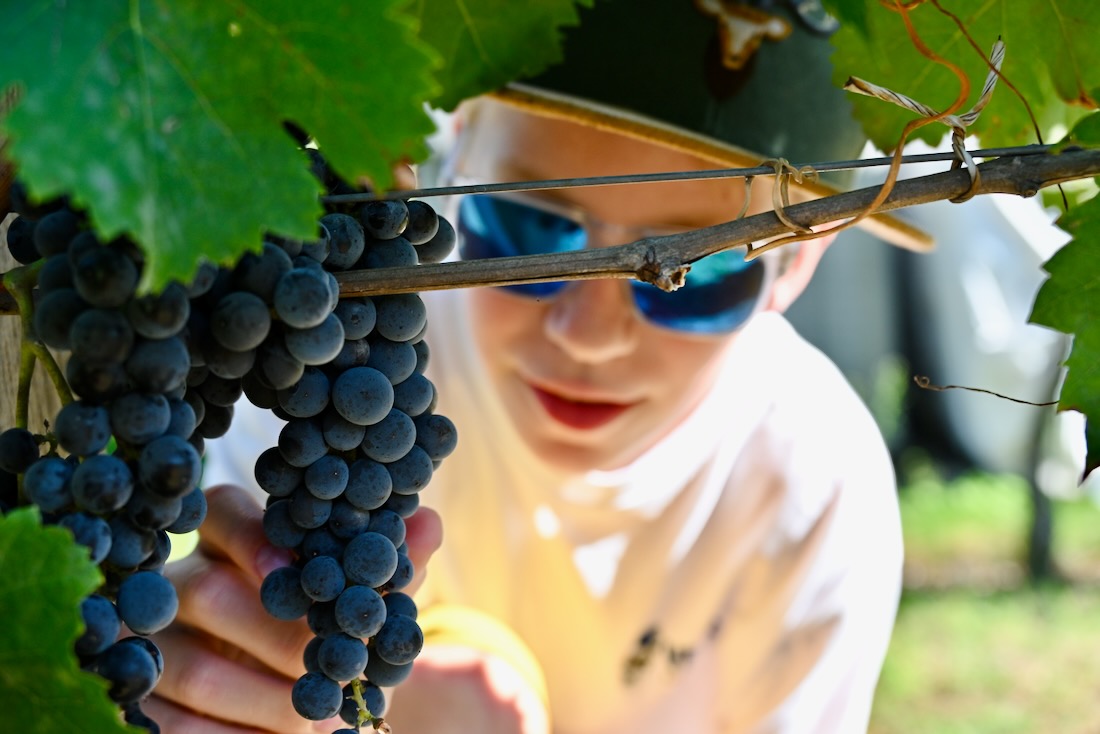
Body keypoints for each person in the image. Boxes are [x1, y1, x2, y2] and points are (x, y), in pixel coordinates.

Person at [149, 1, 932, 732]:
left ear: (800, 264)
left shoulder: (812, 487)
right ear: (457, 152)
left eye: (700, 270)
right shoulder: (328, 363)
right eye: (530, 229)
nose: (588, 335)